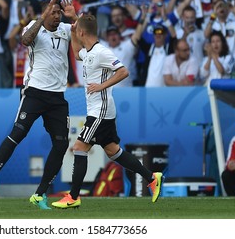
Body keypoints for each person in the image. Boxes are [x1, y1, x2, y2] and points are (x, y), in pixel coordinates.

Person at [51, 13, 163, 209]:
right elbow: (76, 53)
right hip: (100, 110)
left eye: (77, 31)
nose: (75, 34)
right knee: (113, 151)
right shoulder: (89, 52)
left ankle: (74, 196)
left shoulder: (102, 52)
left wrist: (102, 86)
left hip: (100, 111)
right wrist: (73, 22)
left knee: (79, 147)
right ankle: (152, 177)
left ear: (82, 32)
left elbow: (124, 71)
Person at [0, 0, 78, 210]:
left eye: (58, 12)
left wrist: (75, 18)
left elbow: (84, 46)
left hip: (57, 97)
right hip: (34, 92)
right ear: (43, 13)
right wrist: (41, 18)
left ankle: (40, 194)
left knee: (61, 144)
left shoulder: (65, 29)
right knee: (18, 134)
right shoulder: (34, 28)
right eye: (52, 12)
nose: (56, 15)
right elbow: (25, 40)